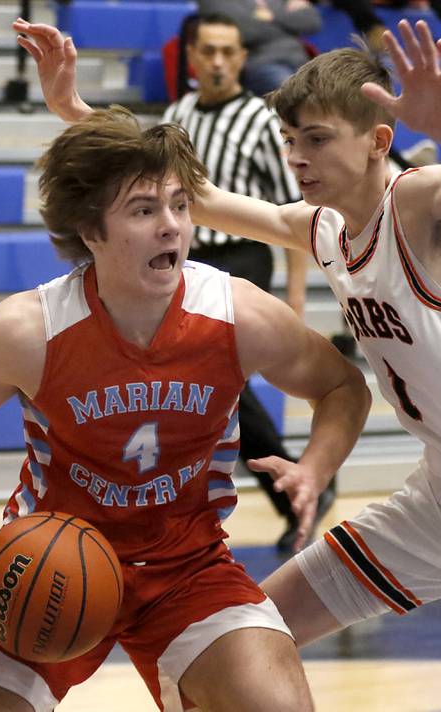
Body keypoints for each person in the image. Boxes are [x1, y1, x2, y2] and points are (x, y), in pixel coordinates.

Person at [15, 17, 441, 710]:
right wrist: (76, 112)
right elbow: (202, 200)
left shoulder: (419, 203)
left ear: (378, 142)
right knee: (236, 640)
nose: (298, 156)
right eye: (292, 140)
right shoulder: (324, 226)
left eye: (318, 139)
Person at [0, 106, 371, 711]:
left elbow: (343, 387)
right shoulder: (31, 329)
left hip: (188, 567)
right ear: (89, 230)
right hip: (48, 559)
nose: (172, 227)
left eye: (180, 206)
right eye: (144, 210)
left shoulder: (236, 315)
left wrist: (313, 467)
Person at [166, 12, 336, 552]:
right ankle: (301, 486)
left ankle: (293, 489)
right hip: (185, 262)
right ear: (191, 56)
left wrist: (292, 292)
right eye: (209, 50)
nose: (219, 61)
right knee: (216, 389)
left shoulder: (261, 122)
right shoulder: (177, 115)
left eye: (229, 51)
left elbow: (299, 207)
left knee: (218, 383)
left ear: (242, 58)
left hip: (244, 257)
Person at [197, 0, 322, 97]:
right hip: (261, 62)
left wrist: (272, 17)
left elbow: (312, 21)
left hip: (301, 61)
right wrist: (287, 23)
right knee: (297, 94)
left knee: (331, 89)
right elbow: (245, 31)